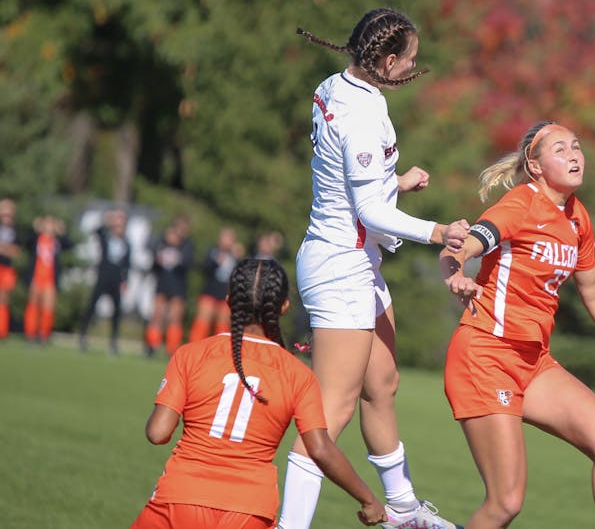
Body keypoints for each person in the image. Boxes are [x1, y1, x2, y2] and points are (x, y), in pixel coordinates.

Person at [278, 9, 469, 529]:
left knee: (381, 384)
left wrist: (394, 181)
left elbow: (344, 177)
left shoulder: (337, 85)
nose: (414, 67)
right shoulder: (361, 114)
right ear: (385, 60)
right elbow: (368, 213)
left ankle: (403, 511)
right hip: (341, 267)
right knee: (329, 414)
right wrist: (437, 232)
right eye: (409, 59)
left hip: (356, 261)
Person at [439, 122, 595, 529]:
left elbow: (593, 291)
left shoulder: (577, 217)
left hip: (533, 361)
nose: (574, 155)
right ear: (536, 165)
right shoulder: (520, 204)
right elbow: (465, 245)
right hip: (486, 355)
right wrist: (456, 272)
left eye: (577, 147)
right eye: (560, 150)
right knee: (505, 503)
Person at [131, 258, 387, 529]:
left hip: (179, 498)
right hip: (250, 510)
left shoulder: (190, 355)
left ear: (229, 301)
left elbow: (157, 433)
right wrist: (368, 499)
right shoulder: (297, 375)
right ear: (284, 307)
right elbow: (320, 449)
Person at [79, 208, 132, 354]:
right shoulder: (105, 236)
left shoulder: (126, 242)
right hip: (103, 276)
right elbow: (97, 230)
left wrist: (125, 281)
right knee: (91, 306)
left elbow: (127, 264)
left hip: (116, 280)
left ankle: (113, 341)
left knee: (116, 312)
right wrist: (107, 221)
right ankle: (82, 335)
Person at [146, 216, 195, 356]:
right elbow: (152, 253)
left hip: (178, 284)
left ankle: (172, 348)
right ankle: (151, 345)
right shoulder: (162, 240)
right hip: (162, 281)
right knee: (157, 314)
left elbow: (188, 263)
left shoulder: (187, 244)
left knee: (175, 316)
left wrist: (178, 245)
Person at [23, 215, 73, 344]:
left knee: (48, 308)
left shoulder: (56, 242)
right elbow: (27, 243)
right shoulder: (37, 239)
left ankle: (44, 335)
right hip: (36, 277)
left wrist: (62, 231)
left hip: (50, 279)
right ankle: (30, 333)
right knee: (33, 305)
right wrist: (35, 229)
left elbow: (69, 245)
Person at [188, 227, 243, 343]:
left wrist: (238, 258)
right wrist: (216, 261)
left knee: (222, 325)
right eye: (224, 237)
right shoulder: (212, 251)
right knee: (202, 322)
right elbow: (204, 268)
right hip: (210, 291)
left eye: (229, 238)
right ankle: (195, 347)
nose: (226, 241)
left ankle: (219, 351)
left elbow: (241, 276)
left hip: (226, 294)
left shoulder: (236, 255)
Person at [0, 199, 20, 340]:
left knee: (3, 299)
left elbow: (16, 252)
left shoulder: (16, 231)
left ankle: (2, 331)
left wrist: (3, 248)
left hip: (6, 269)